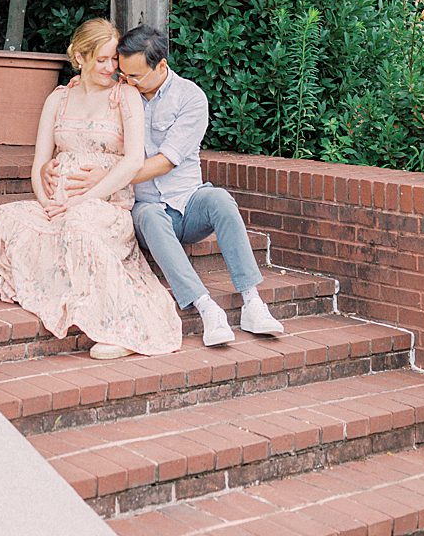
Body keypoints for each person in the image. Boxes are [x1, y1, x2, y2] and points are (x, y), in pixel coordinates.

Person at [46, 25, 285, 347]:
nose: (126, 80)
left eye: (135, 76)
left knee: (221, 200)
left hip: (188, 202)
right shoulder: (121, 93)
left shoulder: (190, 98)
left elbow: (165, 162)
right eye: (124, 73)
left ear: (161, 66)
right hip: (147, 207)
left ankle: (253, 302)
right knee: (149, 216)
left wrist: (104, 178)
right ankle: (206, 307)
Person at [0, 18, 182, 360]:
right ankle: (63, 292)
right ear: (80, 56)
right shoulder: (59, 99)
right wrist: (46, 200)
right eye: (102, 59)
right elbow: (40, 161)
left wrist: (82, 198)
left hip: (105, 207)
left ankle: (121, 328)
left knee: (78, 226)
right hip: (58, 206)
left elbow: (133, 160)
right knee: (7, 217)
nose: (111, 67)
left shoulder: (125, 97)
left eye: (113, 60)